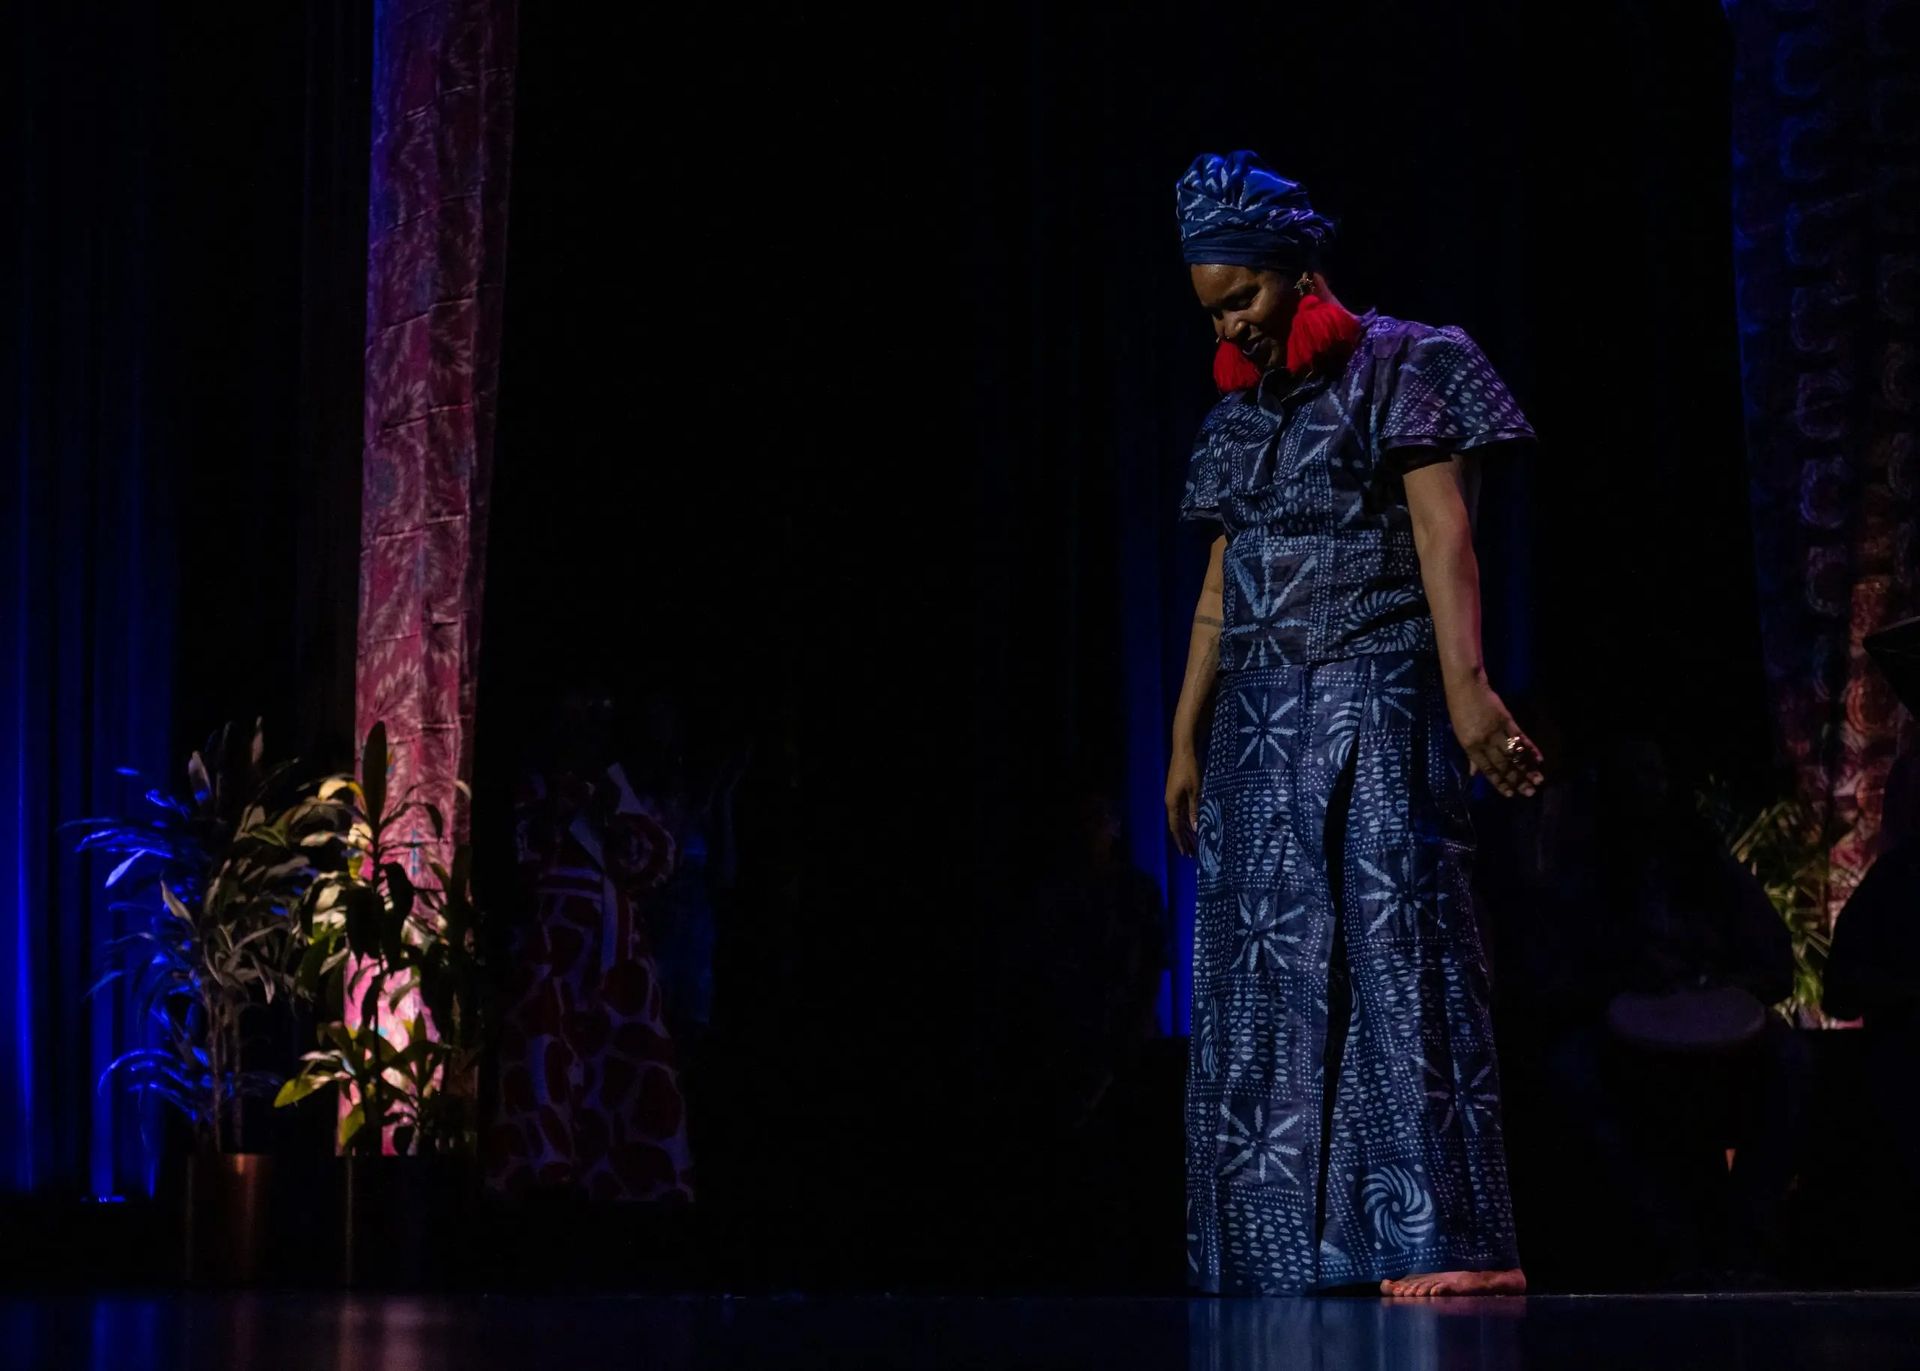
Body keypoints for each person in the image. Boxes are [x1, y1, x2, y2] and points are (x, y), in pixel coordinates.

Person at [1164, 151, 1542, 1297]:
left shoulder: (1412, 362)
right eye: (1217, 310)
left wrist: (1469, 689)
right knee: (1260, 985)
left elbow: (1444, 536)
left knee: (1401, 956)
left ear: (1297, 267)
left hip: (1376, 694)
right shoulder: (1238, 420)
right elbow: (1220, 595)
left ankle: (1453, 1241)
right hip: (1257, 728)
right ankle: (1290, 1251)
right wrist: (1183, 739)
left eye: (1248, 298)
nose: (1238, 324)